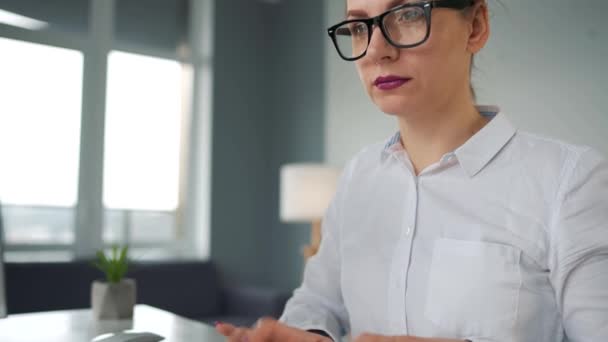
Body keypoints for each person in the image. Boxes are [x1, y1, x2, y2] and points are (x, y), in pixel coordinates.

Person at [217, 0, 608, 341]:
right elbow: (319, 301)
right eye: (357, 27)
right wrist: (310, 334)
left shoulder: (571, 182)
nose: (376, 50)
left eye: (406, 15)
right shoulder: (358, 178)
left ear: (475, 27)